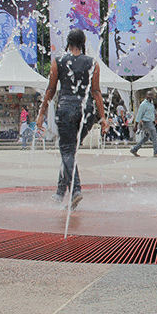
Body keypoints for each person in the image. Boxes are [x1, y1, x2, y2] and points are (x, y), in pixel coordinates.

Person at [37, 28, 108, 210]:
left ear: (68, 43)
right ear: (83, 43)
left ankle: (75, 189)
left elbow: (51, 90)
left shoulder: (58, 61)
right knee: (71, 151)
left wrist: (41, 114)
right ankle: (61, 192)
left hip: (66, 109)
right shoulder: (93, 63)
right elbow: (96, 91)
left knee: (67, 151)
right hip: (87, 112)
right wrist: (104, 118)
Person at [130, 91, 157, 157]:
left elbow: (151, 113)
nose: (150, 96)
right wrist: (136, 126)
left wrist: (154, 119)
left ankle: (134, 149)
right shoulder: (143, 104)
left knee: (146, 137)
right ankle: (156, 152)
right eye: (149, 95)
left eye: (151, 95)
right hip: (146, 122)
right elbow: (139, 115)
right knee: (154, 135)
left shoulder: (151, 103)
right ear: (146, 96)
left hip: (151, 122)